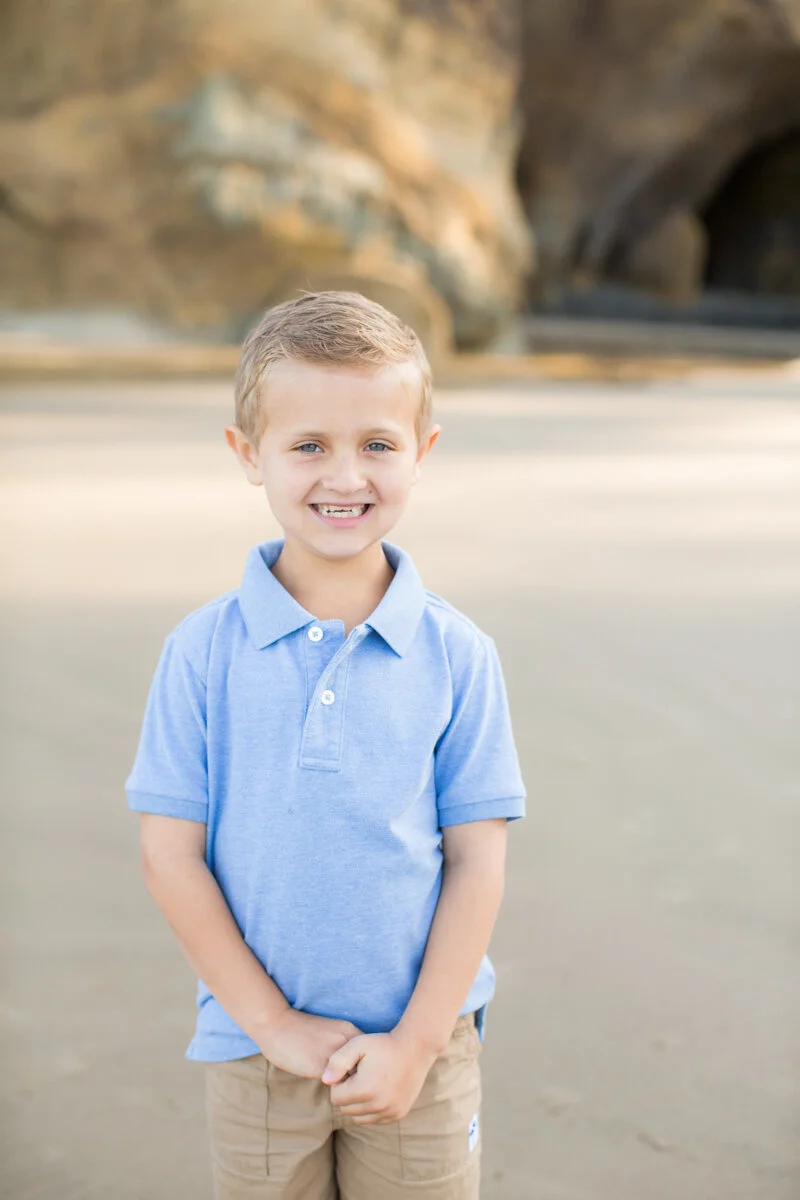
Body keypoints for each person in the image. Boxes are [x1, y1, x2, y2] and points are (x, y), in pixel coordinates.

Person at [125, 291, 526, 1199]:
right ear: (247, 454)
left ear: (421, 454)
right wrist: (272, 1024)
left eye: (377, 444)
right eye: (308, 445)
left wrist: (418, 1043)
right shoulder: (201, 653)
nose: (345, 476)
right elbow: (169, 857)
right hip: (257, 1047)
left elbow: (476, 864)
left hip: (422, 1045)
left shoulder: (459, 656)